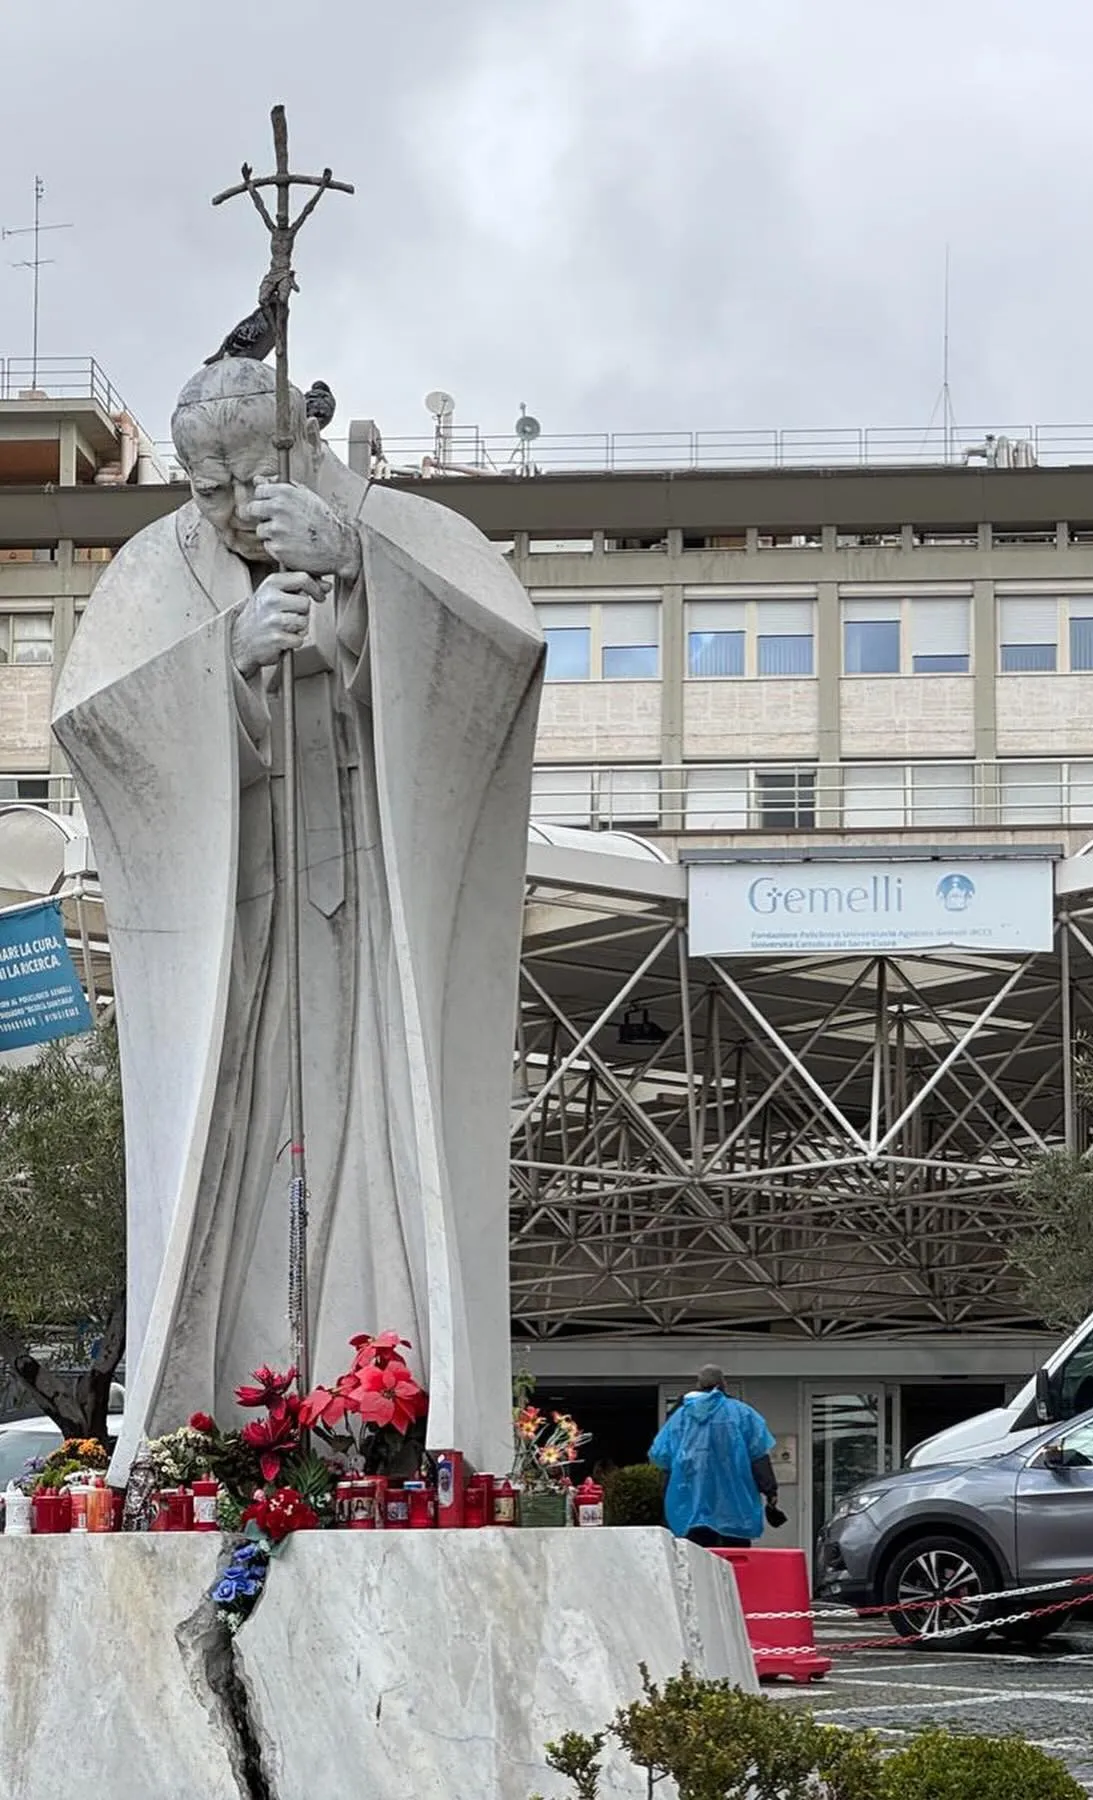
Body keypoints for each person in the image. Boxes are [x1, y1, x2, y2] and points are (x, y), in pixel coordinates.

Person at [53, 355, 544, 1482]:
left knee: (382, 1129)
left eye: (250, 480)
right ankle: (223, 1431)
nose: (231, 509)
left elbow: (501, 661)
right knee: (235, 1142)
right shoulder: (156, 569)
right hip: (237, 921)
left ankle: (393, 1418)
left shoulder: (411, 532)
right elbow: (96, 727)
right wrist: (220, 665)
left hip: (379, 910)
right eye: (206, 488)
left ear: (303, 450)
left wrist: (362, 573)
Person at [648, 1365, 785, 1547]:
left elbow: (661, 1456)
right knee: (734, 1558)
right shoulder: (743, 1414)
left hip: (691, 1504)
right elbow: (758, 1457)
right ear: (723, 1384)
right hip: (735, 1506)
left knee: (696, 1557)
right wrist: (770, 1491)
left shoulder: (679, 1417)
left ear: (698, 1385)